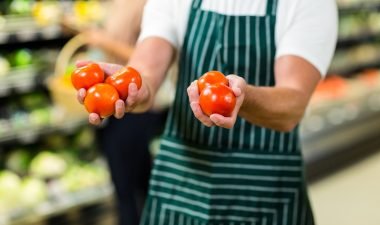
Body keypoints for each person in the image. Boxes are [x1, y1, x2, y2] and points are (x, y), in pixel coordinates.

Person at [77, 0, 338, 224]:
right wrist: (132, 87)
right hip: (182, 181)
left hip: (265, 186)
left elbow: (291, 106)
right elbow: (146, 70)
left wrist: (242, 97)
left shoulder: (307, 3)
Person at [72, 0, 168, 224]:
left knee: (127, 185)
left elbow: (149, 57)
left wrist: (103, 41)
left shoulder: (144, 5)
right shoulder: (113, 3)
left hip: (134, 103)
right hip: (113, 96)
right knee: (134, 178)